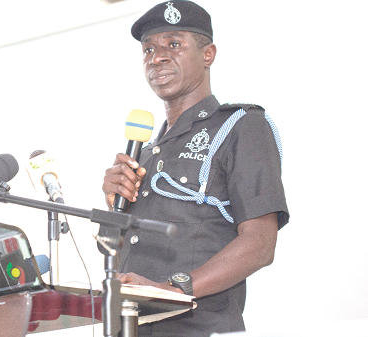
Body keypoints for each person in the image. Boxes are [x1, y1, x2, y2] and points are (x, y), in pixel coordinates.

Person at [102, 1, 289, 336]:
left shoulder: (241, 126)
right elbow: (122, 256)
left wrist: (175, 290)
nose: (157, 57)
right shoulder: (143, 154)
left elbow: (261, 243)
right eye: (148, 49)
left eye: (173, 45)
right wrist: (112, 210)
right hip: (129, 326)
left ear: (208, 54)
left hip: (197, 327)